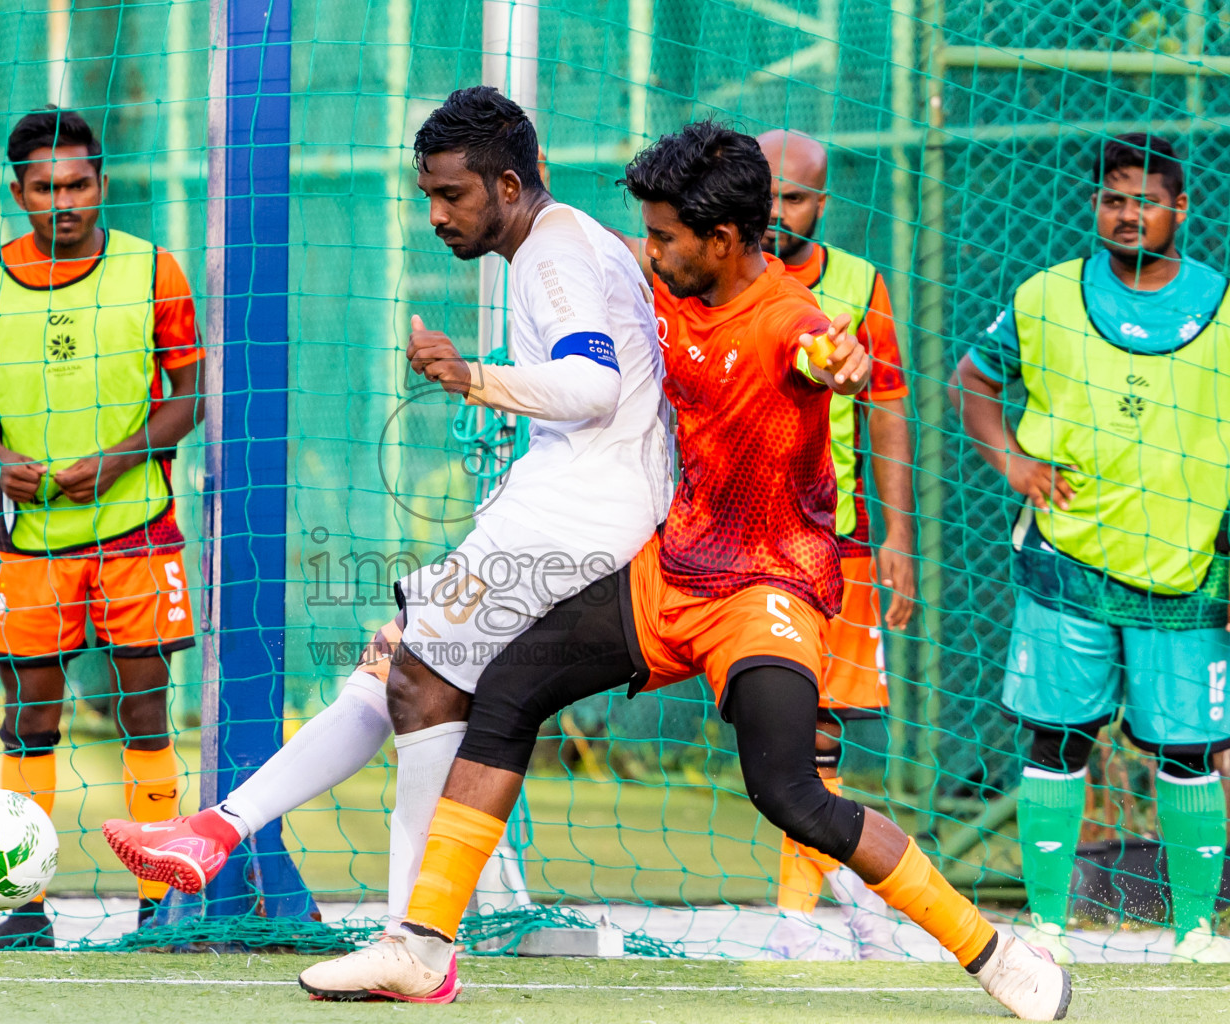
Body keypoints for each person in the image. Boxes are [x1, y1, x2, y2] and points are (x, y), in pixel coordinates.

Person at [295, 122, 1071, 1022]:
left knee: (790, 793)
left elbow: (823, 352)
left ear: (725, 240)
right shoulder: (671, 280)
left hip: (764, 589)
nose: (650, 250)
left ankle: (995, 953)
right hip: (668, 572)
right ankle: (421, 949)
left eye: (664, 237)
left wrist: (843, 362)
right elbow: (592, 246)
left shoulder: (787, 320)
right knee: (504, 693)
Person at [100, 86, 672, 931]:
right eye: (428, 194)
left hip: (574, 519)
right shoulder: (568, 239)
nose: (436, 215)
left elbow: (593, 386)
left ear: (508, 186)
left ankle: (412, 934)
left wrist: (471, 375)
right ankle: (223, 831)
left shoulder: (552, 254)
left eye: (452, 194)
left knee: (417, 684)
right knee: (392, 662)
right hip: (578, 511)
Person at [953, 133, 1230, 964]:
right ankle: (1047, 926)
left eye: (1146, 200)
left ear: (1181, 209)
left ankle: (1194, 930)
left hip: (1187, 570)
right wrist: (1013, 462)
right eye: (1113, 199)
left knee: (1188, 750)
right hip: (1065, 561)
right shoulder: (1044, 296)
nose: (1127, 213)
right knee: (1058, 739)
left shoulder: (1221, 303)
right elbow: (973, 378)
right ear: (1094, 207)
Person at [0, 107, 204, 948]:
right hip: (31, 541)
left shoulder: (155, 271)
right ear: (18, 192)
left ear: (102, 183)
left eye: (79, 184)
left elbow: (190, 395)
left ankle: (159, 907)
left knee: (145, 712)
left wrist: (122, 459)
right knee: (28, 720)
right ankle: (23, 910)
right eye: (45, 188)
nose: (65, 202)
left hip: (137, 531)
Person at [754, 128, 917, 960]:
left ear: (822, 202)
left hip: (834, 543)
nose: (777, 211)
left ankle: (799, 915)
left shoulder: (860, 283)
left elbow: (886, 408)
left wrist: (899, 536)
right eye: (766, 193)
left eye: (794, 197)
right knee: (774, 732)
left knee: (815, 734)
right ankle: (857, 896)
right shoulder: (717, 276)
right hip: (737, 545)